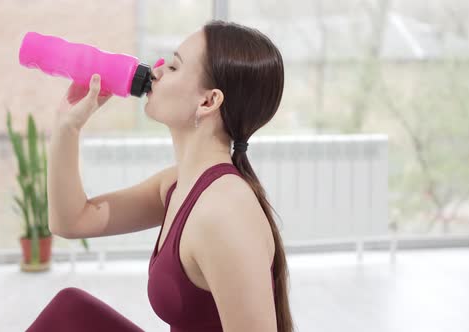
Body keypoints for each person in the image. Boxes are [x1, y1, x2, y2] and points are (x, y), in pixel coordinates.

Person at [27, 19, 294, 332]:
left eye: (174, 67)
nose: (155, 71)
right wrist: (67, 127)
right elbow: (72, 221)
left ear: (208, 101)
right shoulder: (178, 184)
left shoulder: (224, 212)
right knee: (70, 311)